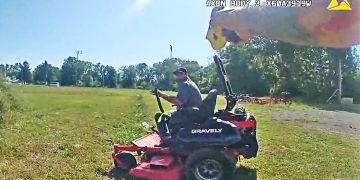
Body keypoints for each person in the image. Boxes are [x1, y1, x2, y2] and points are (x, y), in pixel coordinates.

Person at [152, 67, 202, 145]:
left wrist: (160, 94)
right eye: (177, 74)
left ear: (186, 74)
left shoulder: (185, 84)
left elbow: (178, 102)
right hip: (192, 112)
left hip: (189, 114)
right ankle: (173, 135)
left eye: (180, 74)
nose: (178, 76)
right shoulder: (190, 83)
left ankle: (167, 139)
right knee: (171, 115)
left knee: (160, 116)